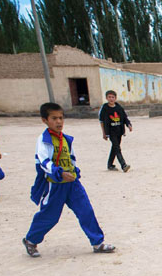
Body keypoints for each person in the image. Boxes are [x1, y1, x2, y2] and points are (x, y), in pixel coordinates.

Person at [22, 103, 115, 258]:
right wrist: (59, 172)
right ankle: (31, 240)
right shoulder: (44, 140)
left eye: (61, 118)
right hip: (55, 185)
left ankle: (97, 242)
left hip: (72, 184)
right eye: (54, 118)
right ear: (45, 120)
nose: (59, 122)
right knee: (49, 217)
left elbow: (70, 158)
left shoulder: (65, 139)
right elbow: (43, 161)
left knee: (86, 211)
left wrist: (75, 171)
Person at [98, 90, 132, 172]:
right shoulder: (104, 108)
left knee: (114, 148)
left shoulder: (119, 107)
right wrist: (104, 133)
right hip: (110, 132)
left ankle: (110, 165)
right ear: (106, 98)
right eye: (109, 97)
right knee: (117, 148)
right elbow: (101, 121)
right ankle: (123, 165)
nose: (111, 99)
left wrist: (128, 125)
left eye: (113, 97)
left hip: (119, 131)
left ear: (115, 98)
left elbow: (124, 118)